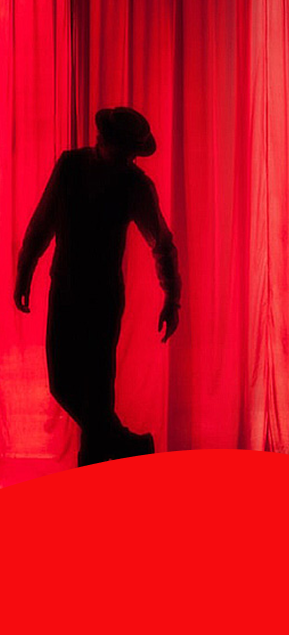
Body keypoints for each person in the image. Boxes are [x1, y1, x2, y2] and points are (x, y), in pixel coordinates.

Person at [14, 107, 181, 467]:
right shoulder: (70, 166)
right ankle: (131, 446)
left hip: (103, 297)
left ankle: (96, 470)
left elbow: (161, 244)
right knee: (64, 384)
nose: (126, 158)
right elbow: (43, 221)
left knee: (97, 393)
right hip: (67, 289)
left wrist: (172, 296)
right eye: (123, 149)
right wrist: (25, 267)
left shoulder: (135, 185)